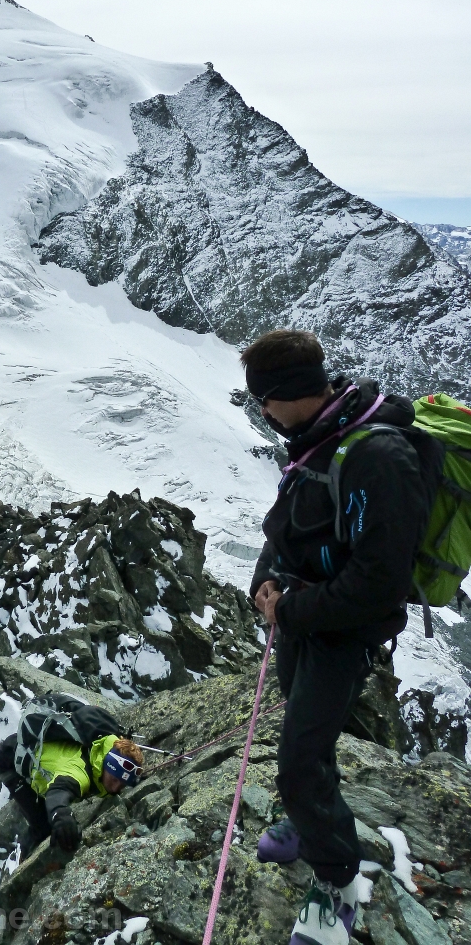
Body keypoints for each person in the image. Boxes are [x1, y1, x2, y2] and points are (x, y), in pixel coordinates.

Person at [242, 329, 442, 945]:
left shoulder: (376, 458)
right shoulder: (318, 438)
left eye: (263, 403)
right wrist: (266, 585)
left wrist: (292, 610)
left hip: (340, 633)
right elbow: (292, 528)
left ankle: (337, 884)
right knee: (305, 738)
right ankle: (312, 821)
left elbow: (378, 586)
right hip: (305, 619)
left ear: (286, 396)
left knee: (300, 758)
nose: (262, 415)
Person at [0, 731, 144, 858]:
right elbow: (57, 792)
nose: (116, 788)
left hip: (41, 749)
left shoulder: (110, 744)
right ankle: (24, 868)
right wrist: (61, 815)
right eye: (114, 779)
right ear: (107, 765)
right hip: (11, 759)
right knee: (43, 827)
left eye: (123, 784)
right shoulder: (77, 774)